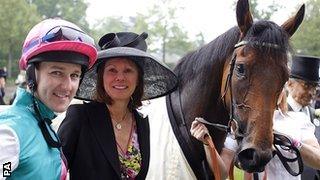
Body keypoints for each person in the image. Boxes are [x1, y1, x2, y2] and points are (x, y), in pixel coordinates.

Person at [58, 32, 178, 179]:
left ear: (138, 79)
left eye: (128, 70)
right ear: (101, 77)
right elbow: (55, 171)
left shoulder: (141, 123)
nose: (120, 77)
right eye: (112, 70)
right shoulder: (80, 117)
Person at [0, 18, 97, 179]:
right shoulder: (11, 132)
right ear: (32, 74)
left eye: (74, 75)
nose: (67, 86)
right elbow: (5, 170)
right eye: (57, 72)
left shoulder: (42, 122)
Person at [287, 55, 320, 180]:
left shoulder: (313, 115)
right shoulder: (277, 115)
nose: (312, 92)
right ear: (290, 84)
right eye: (306, 86)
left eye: (315, 87)